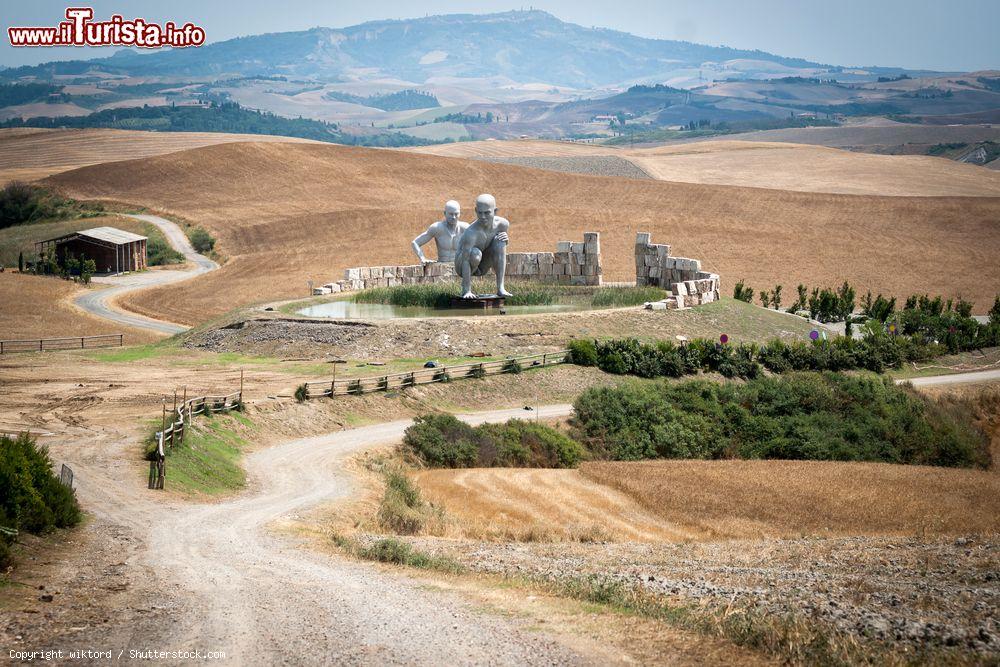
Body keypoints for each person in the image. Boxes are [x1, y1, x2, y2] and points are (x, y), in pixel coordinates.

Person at [454, 193, 510, 299]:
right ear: (476, 211)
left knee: (500, 241)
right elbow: (465, 260)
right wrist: (467, 291)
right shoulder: (471, 232)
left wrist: (506, 240)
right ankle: (465, 288)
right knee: (475, 253)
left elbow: (499, 249)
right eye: (480, 213)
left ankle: (501, 288)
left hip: (483, 265)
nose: (483, 217)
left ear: (495, 211)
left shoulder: (503, 224)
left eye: (487, 213)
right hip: (463, 266)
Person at [411, 200, 469, 264]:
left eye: (456, 214)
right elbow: (415, 243)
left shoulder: (465, 228)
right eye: (451, 214)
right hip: (442, 265)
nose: (453, 217)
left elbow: (479, 244)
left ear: (460, 213)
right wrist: (423, 258)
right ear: (445, 213)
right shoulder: (437, 228)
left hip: (459, 266)